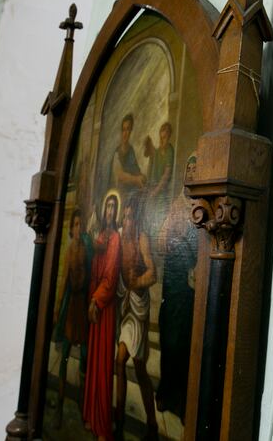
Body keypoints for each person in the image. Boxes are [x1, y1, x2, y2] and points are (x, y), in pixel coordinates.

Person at [155, 154, 198, 419]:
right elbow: (160, 242)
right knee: (168, 339)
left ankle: (180, 399)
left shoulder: (202, 204)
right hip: (172, 286)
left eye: (195, 168)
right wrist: (173, 238)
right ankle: (165, 394)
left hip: (190, 287)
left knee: (183, 344)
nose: (191, 172)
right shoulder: (175, 205)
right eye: (188, 167)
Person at [114, 197, 158, 440]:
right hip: (126, 306)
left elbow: (153, 272)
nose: (127, 221)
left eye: (131, 217)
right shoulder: (121, 238)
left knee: (139, 368)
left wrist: (135, 283)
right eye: (126, 216)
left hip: (139, 306)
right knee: (120, 361)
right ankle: (119, 423)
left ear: (137, 218)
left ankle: (151, 424)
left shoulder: (142, 239)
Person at [83, 193, 121, 441]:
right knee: (93, 361)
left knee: (104, 364)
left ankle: (103, 426)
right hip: (93, 303)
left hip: (104, 307)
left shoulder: (116, 238)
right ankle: (90, 416)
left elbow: (111, 274)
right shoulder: (100, 237)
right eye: (106, 205)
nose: (108, 210)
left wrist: (97, 301)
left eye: (112, 206)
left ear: (115, 211)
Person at [52, 209, 93, 428]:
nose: (78, 228)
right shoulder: (69, 252)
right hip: (71, 307)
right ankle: (59, 403)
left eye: (80, 224)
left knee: (85, 356)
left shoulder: (86, 251)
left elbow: (88, 275)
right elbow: (63, 283)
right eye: (75, 225)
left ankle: (82, 405)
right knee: (65, 355)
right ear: (71, 229)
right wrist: (58, 307)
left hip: (82, 306)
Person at [112, 114, 145, 197]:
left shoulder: (131, 150)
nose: (125, 133)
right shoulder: (117, 152)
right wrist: (136, 179)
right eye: (123, 130)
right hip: (120, 194)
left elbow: (135, 169)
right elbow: (119, 175)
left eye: (128, 129)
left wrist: (141, 176)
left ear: (131, 131)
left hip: (131, 192)